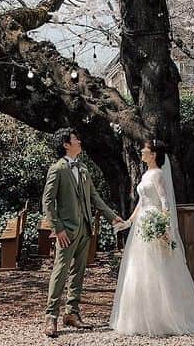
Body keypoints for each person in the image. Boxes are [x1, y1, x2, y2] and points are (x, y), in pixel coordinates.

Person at [109, 138, 194, 336]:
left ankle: (164, 317)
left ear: (153, 154)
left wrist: (164, 228)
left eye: (145, 149)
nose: (142, 150)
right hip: (142, 226)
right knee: (138, 269)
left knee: (158, 269)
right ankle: (140, 318)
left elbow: (165, 202)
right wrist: (128, 221)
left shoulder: (158, 175)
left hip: (154, 223)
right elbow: (142, 202)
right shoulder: (146, 174)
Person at [41, 128, 123, 338]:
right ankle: (51, 317)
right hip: (66, 230)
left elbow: (95, 198)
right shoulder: (57, 169)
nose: (80, 141)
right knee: (60, 272)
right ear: (66, 144)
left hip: (85, 229)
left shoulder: (84, 169)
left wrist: (112, 217)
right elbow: (47, 202)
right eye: (76, 139)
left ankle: (72, 313)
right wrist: (57, 228)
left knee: (78, 272)